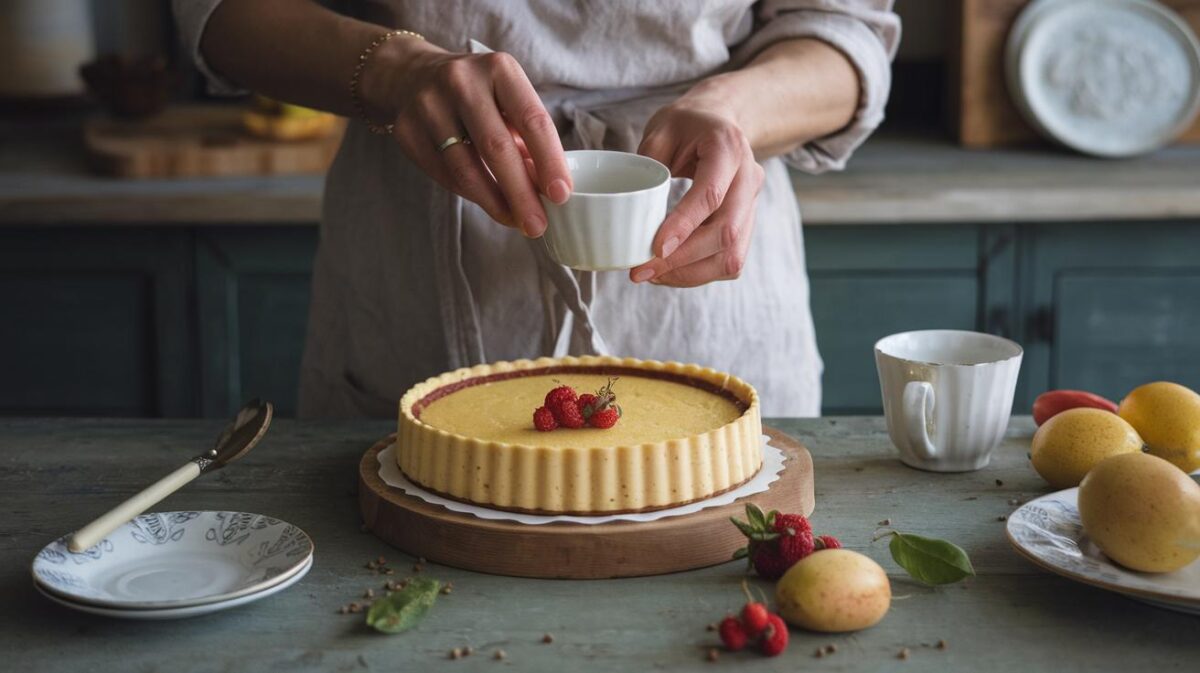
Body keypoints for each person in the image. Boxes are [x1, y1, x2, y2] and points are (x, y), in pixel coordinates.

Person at [175, 1, 900, 417]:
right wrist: (399, 71)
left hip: (710, 308)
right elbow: (215, 13)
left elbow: (844, 33)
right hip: (410, 304)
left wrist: (736, 107)